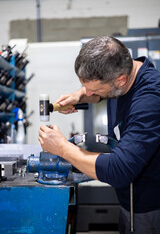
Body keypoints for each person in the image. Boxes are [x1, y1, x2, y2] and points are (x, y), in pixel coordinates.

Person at [38, 36, 160, 234]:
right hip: (128, 201)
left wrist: (62, 147)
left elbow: (120, 170)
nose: (89, 92)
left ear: (120, 80)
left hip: (149, 209)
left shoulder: (150, 100)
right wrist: (80, 95)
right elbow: (104, 92)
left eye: (94, 89)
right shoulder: (126, 73)